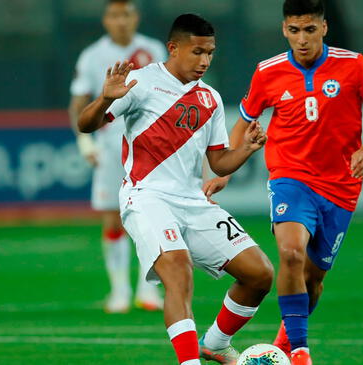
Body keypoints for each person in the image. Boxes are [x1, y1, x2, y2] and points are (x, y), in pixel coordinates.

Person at [204, 1, 363, 364]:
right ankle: (301, 354)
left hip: (341, 186)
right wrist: (225, 169)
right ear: (284, 30)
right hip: (289, 177)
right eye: (294, 30)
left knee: (314, 278)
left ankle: (283, 344)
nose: (302, 39)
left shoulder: (355, 65)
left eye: (309, 30)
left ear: (324, 28)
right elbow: (245, 121)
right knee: (291, 253)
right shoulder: (268, 71)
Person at [78, 14, 274, 365]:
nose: (204, 60)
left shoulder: (210, 99)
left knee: (259, 274)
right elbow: (86, 123)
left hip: (193, 202)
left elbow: (219, 163)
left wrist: (246, 149)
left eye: (210, 53)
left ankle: (214, 344)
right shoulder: (141, 81)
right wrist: (105, 99)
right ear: (174, 48)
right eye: (197, 51)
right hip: (146, 196)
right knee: (178, 268)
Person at [68, 0, 167, 313]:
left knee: (153, 217)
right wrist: (85, 143)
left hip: (149, 143)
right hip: (111, 144)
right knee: (113, 217)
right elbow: (78, 101)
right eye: (114, 15)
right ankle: (119, 291)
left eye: (126, 14)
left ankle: (147, 290)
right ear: (106, 19)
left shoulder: (154, 50)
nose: (121, 21)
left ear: (135, 17)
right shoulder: (92, 55)